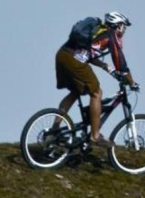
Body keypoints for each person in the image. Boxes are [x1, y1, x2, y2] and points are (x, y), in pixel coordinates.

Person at [53, 12, 136, 149]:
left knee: (75, 91)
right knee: (96, 92)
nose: (124, 30)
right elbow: (120, 62)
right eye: (123, 27)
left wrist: (106, 67)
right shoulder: (111, 36)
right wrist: (132, 82)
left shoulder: (98, 31)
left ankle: (54, 130)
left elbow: (88, 54)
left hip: (62, 55)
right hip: (74, 61)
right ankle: (95, 136)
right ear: (117, 26)